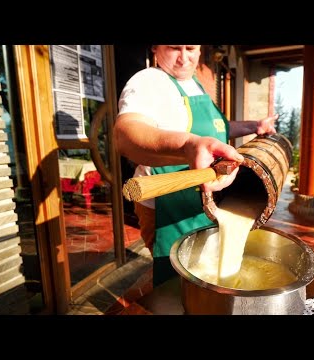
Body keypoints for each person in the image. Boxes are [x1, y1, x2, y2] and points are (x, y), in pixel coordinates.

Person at [113, 45, 278, 286]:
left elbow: (218, 128)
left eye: (190, 48)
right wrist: (188, 146)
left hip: (205, 203)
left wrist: (254, 126)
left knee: (205, 273)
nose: (183, 58)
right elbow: (125, 135)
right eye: (174, 48)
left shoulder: (196, 85)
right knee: (177, 282)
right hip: (169, 208)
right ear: (155, 48)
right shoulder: (149, 82)